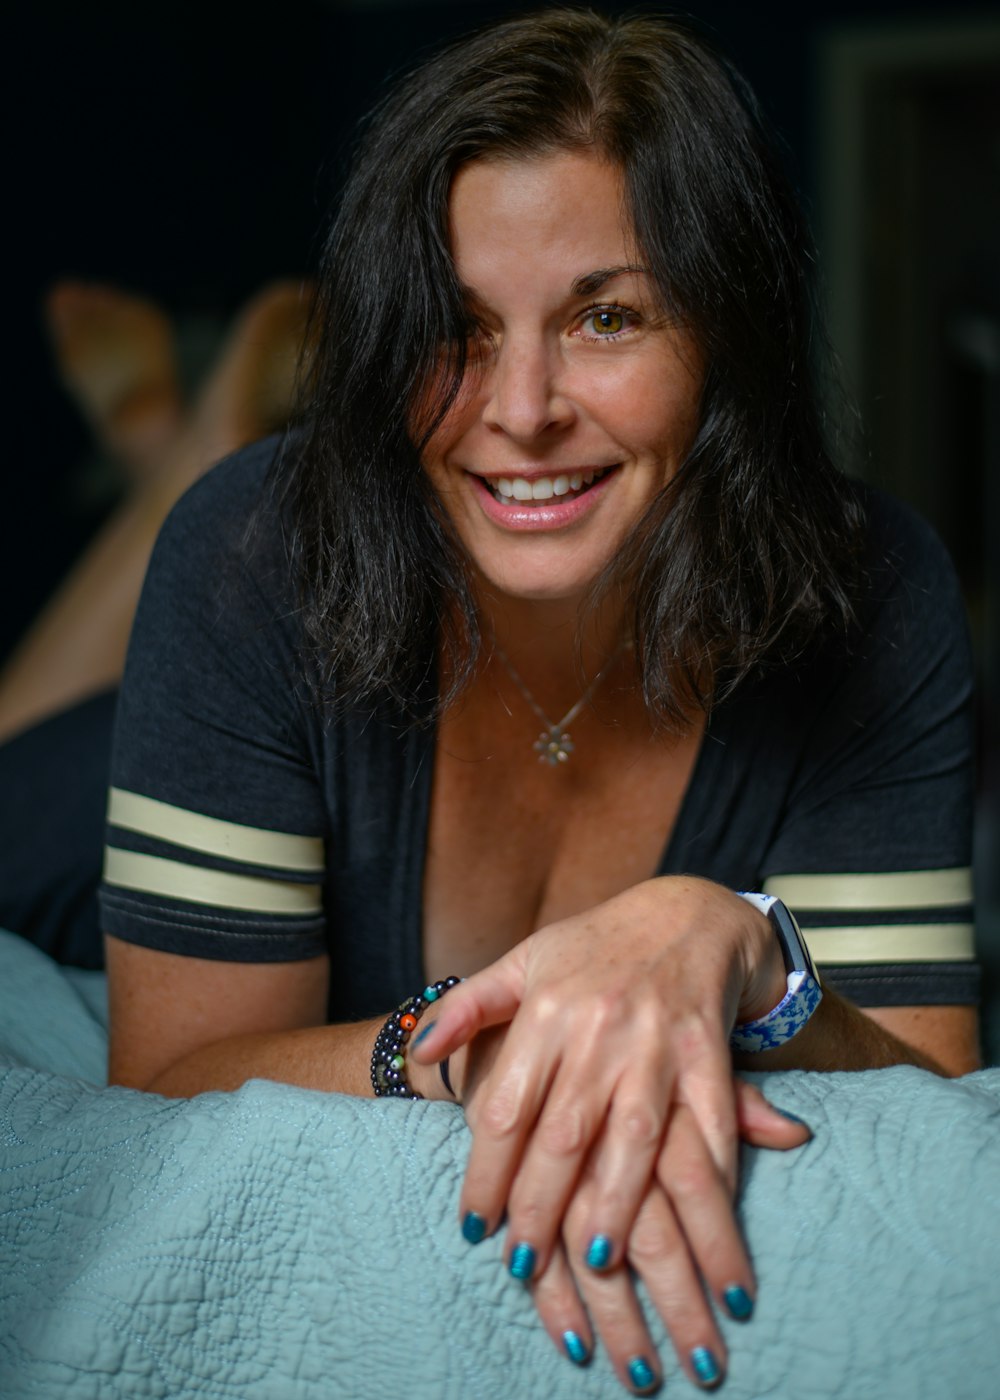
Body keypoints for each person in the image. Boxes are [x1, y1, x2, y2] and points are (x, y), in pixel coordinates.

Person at [0, 10, 980, 1395]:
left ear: (730, 341)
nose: (521, 408)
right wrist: (482, 1046)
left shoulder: (875, 591)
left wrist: (737, 944)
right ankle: (197, 437)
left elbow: (930, 1081)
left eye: (607, 317)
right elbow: (169, 1077)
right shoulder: (252, 563)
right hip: (97, 785)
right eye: (454, 331)